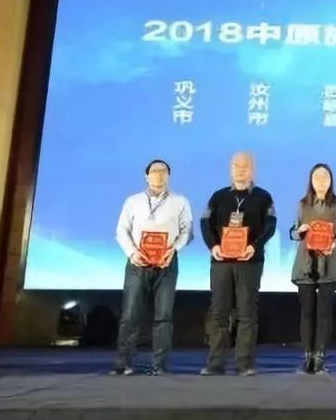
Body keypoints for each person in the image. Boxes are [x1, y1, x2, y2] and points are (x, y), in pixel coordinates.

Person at [111, 159, 193, 376]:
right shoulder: (133, 201)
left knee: (164, 316)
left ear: (169, 176)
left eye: (163, 171)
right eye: (155, 171)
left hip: (166, 264)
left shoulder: (180, 201)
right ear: (146, 176)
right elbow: (121, 230)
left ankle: (160, 365)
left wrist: (173, 249)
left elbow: (187, 232)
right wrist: (132, 253)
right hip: (137, 263)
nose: (159, 174)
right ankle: (123, 363)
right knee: (130, 314)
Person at [199, 152, 277, 376]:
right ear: (230, 169)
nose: (241, 170)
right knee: (218, 312)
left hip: (249, 261)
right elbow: (205, 222)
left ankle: (244, 364)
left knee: (247, 312)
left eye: (245, 166)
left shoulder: (263, 197)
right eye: (236, 166)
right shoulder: (218, 196)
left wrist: (254, 246)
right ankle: (215, 363)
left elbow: (270, 224)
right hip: (221, 262)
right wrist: (213, 246)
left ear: (252, 169)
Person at [288, 163, 336, 375]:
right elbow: (293, 231)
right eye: (317, 177)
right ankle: (307, 357)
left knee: (324, 312)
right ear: (311, 181)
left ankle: (319, 357)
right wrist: (300, 231)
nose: (321, 181)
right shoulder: (303, 204)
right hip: (305, 262)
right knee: (307, 311)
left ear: (331, 180)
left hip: (329, 262)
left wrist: (335, 244)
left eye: (325, 177)